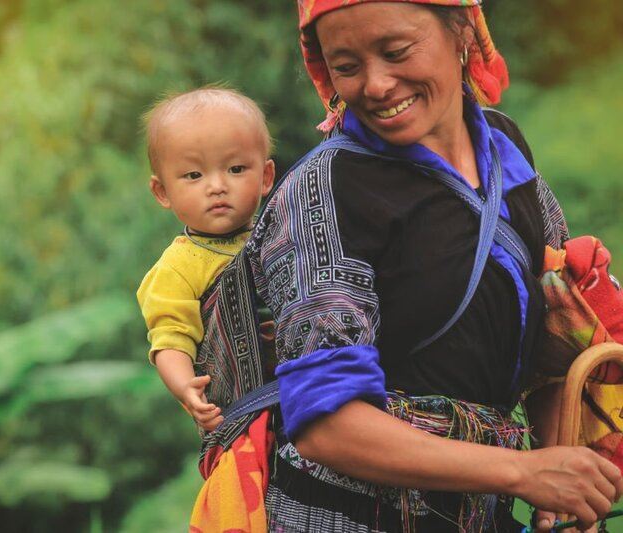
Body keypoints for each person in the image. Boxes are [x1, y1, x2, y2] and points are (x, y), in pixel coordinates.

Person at [242, 1, 623, 531]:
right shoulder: (323, 193)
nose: (375, 86)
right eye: (346, 66)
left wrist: (561, 478)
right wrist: (523, 472)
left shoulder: (502, 143)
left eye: (396, 52)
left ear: (463, 30)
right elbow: (326, 424)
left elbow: (553, 326)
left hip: (481, 513)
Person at [136, 87, 275, 432]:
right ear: (162, 192)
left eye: (236, 168)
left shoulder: (283, 232)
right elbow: (171, 338)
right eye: (194, 175)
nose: (217, 186)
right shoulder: (178, 267)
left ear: (266, 177)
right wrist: (186, 388)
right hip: (243, 416)